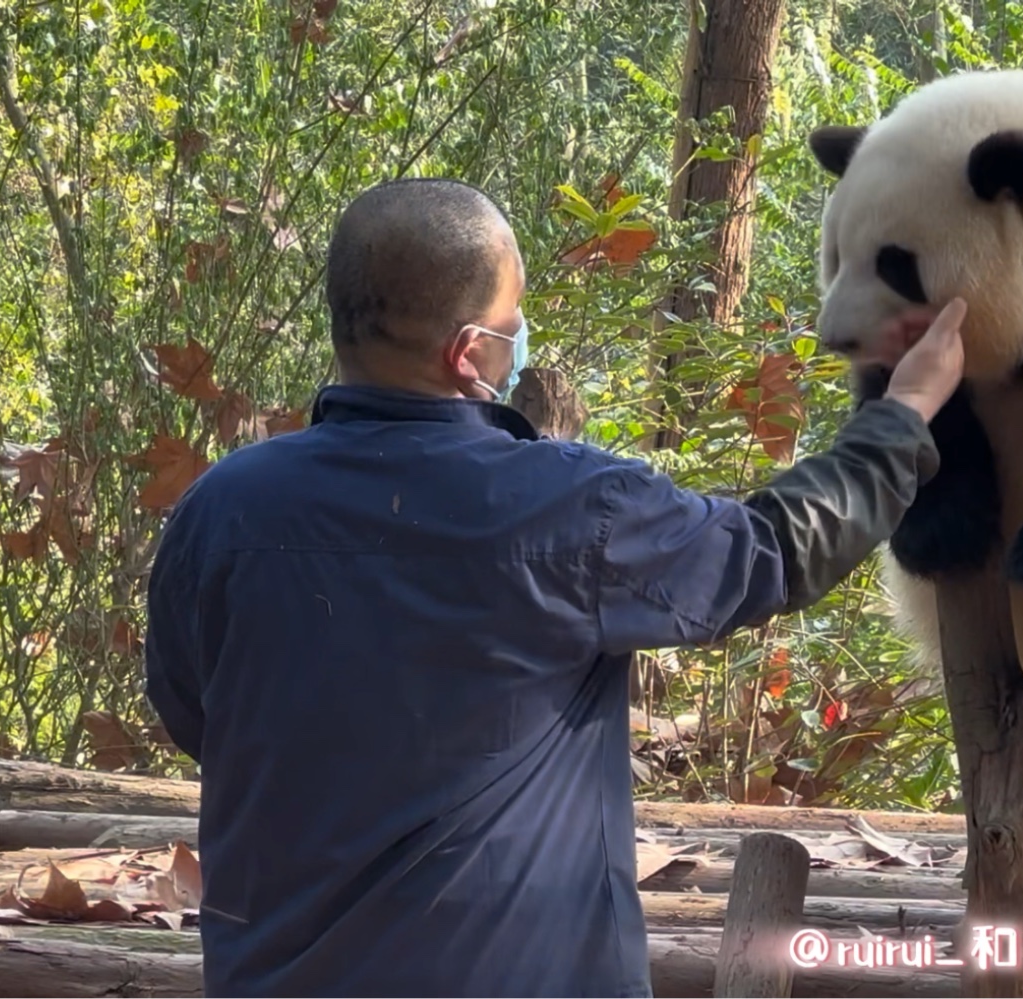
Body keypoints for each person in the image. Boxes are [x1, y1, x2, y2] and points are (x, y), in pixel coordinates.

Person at [143, 177, 966, 998]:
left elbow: (193, 712)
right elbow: (773, 550)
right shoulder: (574, 509)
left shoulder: (219, 510)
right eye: (513, 318)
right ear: (468, 353)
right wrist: (904, 410)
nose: (519, 337)